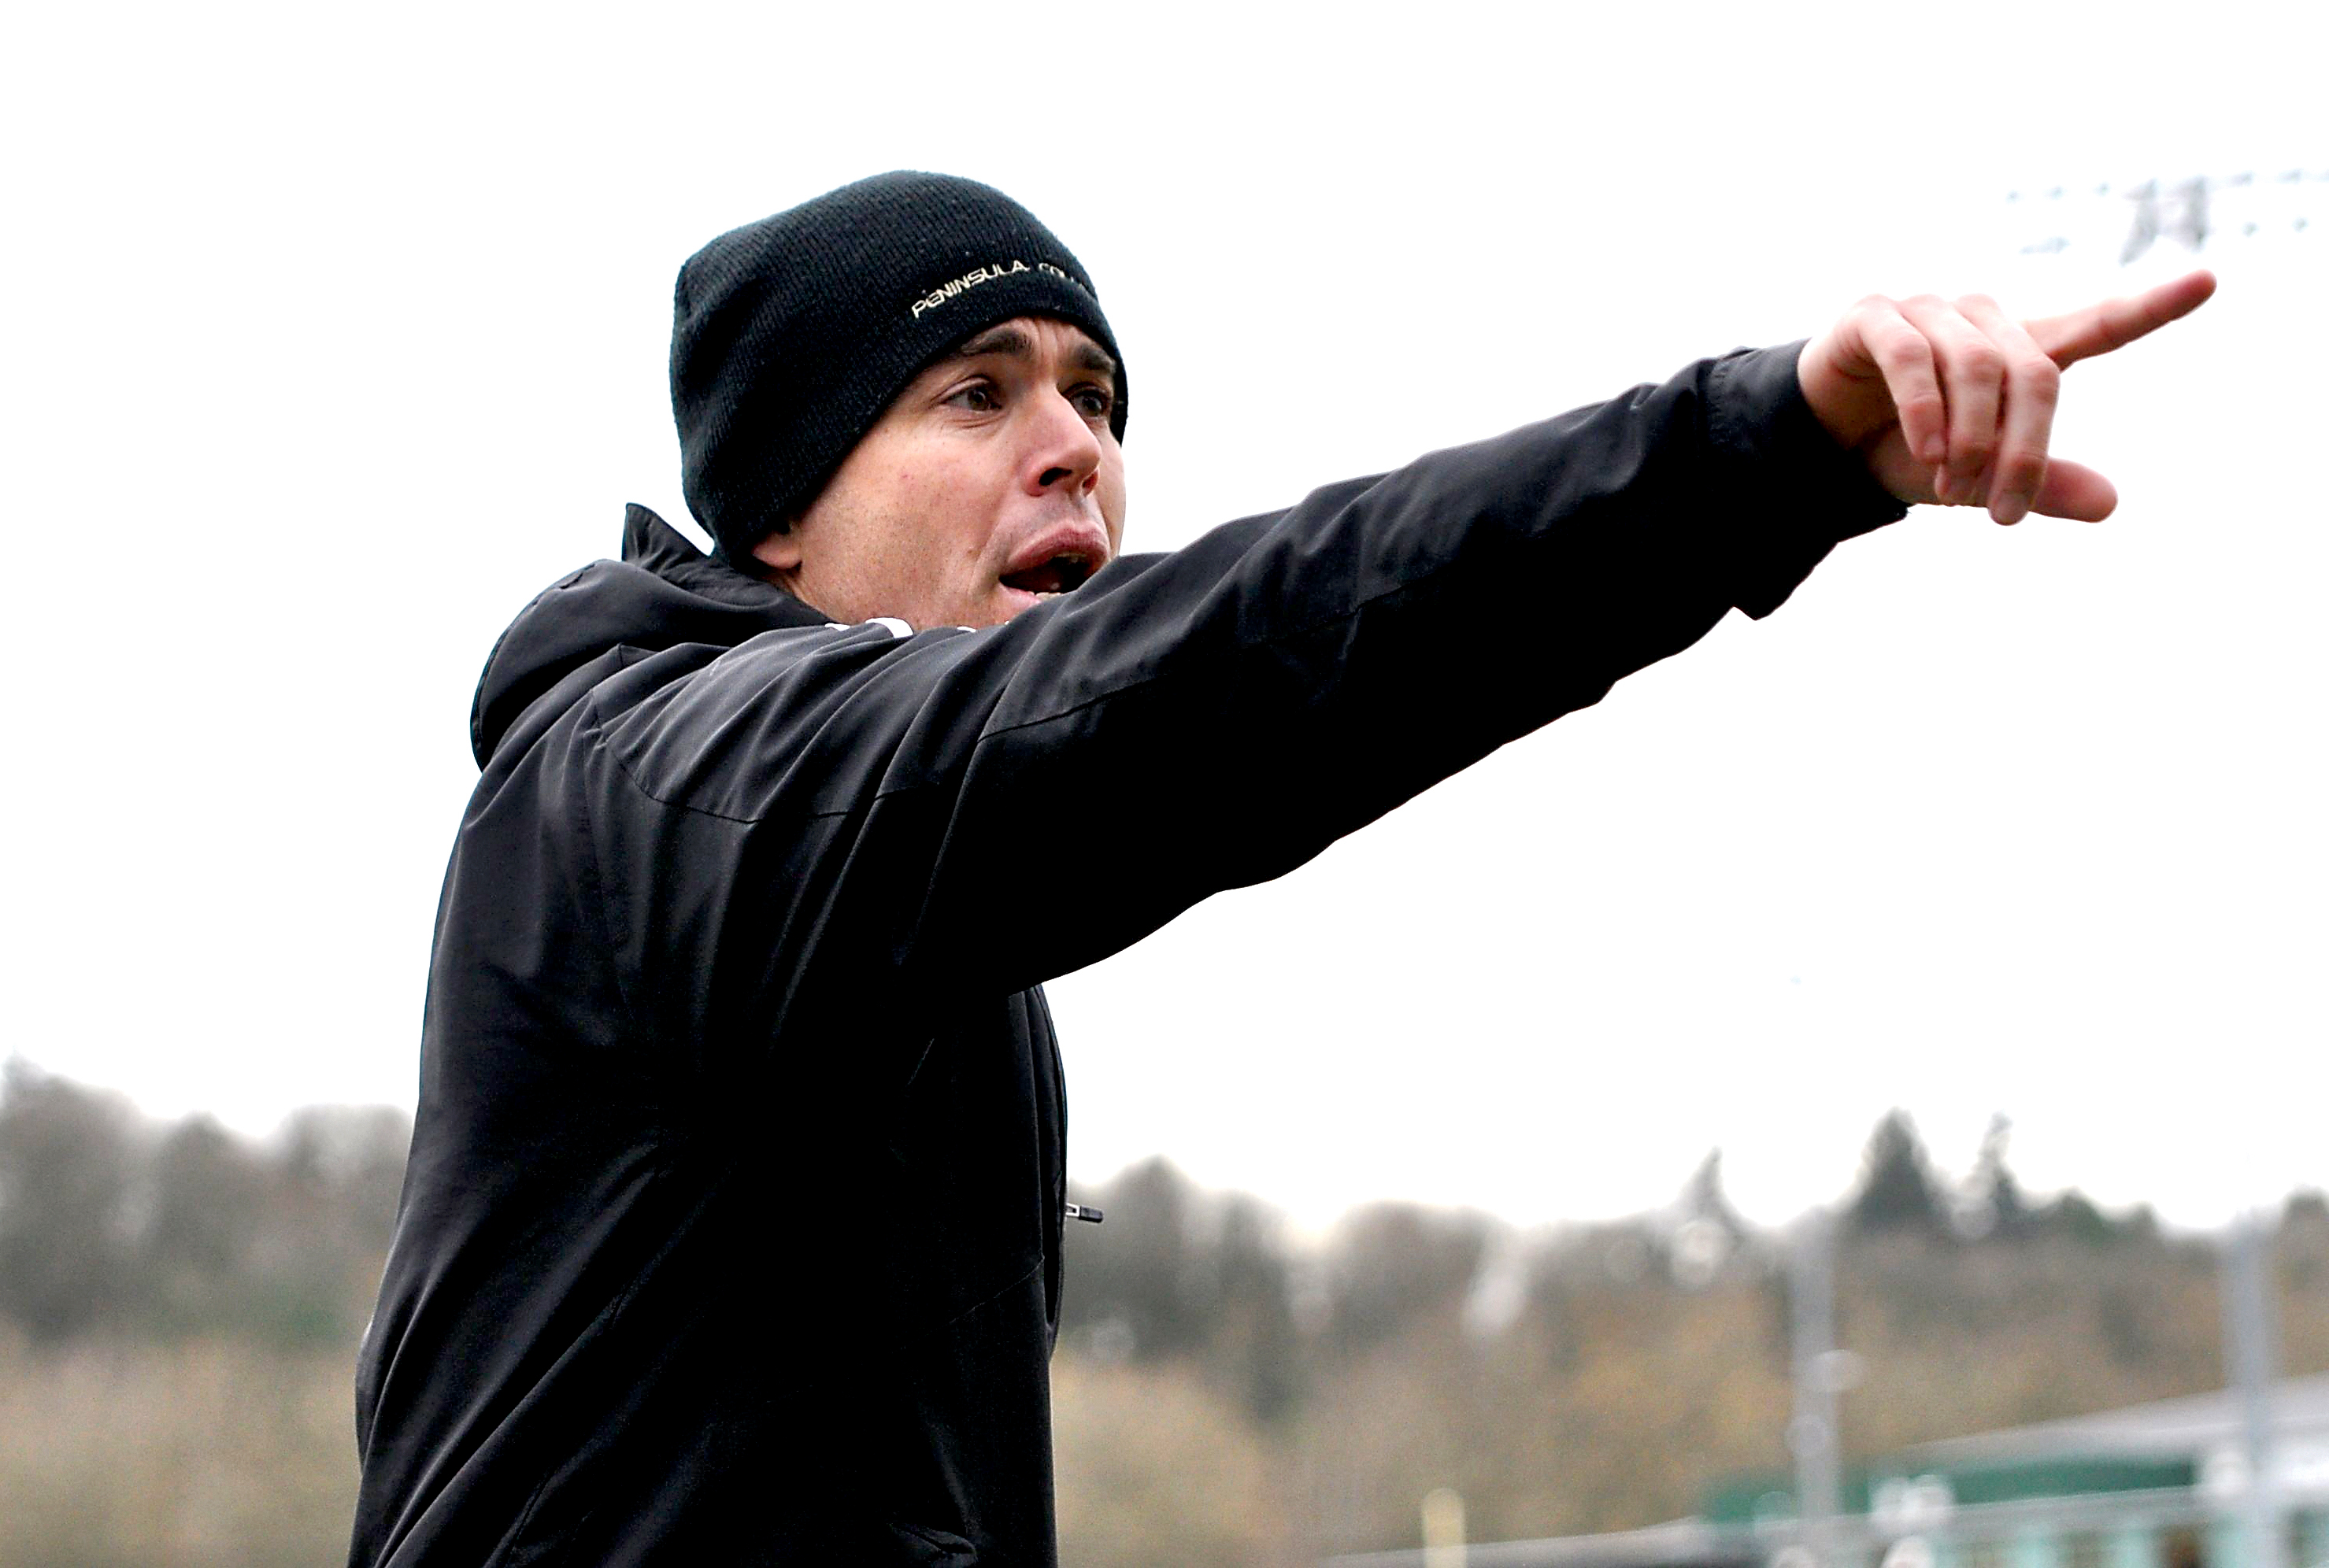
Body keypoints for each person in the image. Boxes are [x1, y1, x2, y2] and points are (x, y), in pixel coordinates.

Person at [346, 171, 2212, 1566]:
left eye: (1096, 394)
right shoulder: (659, 792)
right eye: (974, 394)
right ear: (776, 510)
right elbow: (1215, 678)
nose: (1077, 445)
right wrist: (1754, 447)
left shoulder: (888, 900)